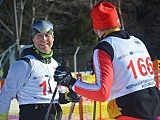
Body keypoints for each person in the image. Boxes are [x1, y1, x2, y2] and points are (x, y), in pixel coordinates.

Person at [53, 2, 160, 120]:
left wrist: (70, 82)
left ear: (95, 28)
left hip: (132, 111)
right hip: (155, 105)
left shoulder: (105, 47)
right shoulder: (136, 41)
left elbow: (101, 92)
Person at [0, 19, 81, 120]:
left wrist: (70, 96)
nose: (44, 39)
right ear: (33, 39)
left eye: (47, 35)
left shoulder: (56, 65)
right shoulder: (24, 65)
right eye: (39, 35)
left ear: (53, 38)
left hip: (54, 115)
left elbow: (58, 97)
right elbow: (6, 95)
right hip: (32, 113)